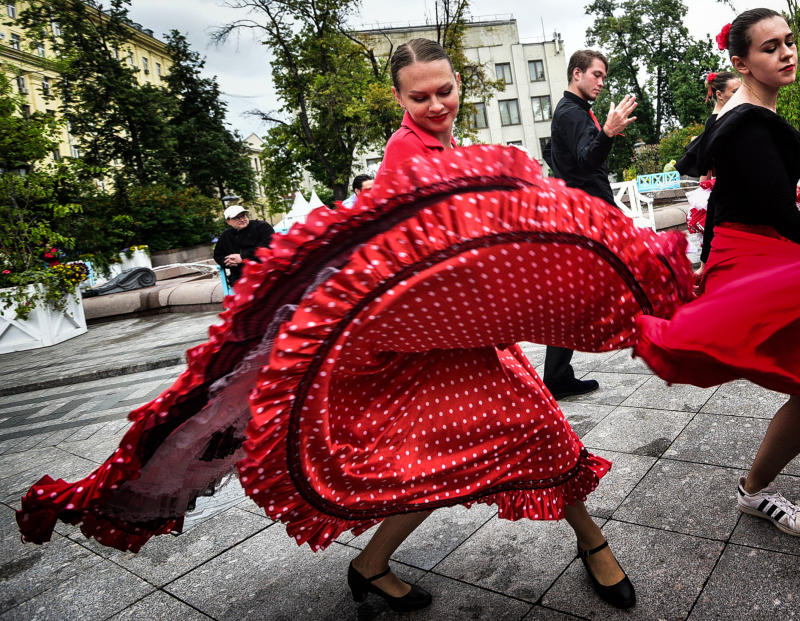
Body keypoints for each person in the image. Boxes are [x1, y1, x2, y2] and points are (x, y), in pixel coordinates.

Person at [21, 39, 713, 616]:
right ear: (399, 101)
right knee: (518, 442)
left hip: (468, 340)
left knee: (522, 442)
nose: (436, 104)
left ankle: (398, 561)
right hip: (430, 349)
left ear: (457, 84)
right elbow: (399, 270)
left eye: (444, 90)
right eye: (420, 97)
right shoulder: (405, 160)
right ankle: (558, 547)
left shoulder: (449, 149)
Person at [636, 8, 800, 536]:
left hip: (760, 246)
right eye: (770, 48)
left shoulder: (741, 114)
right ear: (742, 62)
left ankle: (754, 490)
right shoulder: (748, 121)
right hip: (759, 252)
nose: (787, 53)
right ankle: (753, 491)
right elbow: (780, 210)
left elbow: (694, 155)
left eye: (789, 42)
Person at [542, 50, 638, 400]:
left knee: (574, 297)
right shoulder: (572, 113)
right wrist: (607, 132)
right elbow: (586, 160)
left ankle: (557, 375)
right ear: (577, 73)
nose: (601, 82)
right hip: (586, 218)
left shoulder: (573, 112)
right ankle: (659, 333)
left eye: (603, 77)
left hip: (579, 216)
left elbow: (566, 161)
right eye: (596, 75)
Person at [213, 203, 274, 286]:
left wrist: (242, 257)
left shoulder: (262, 227)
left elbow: (269, 247)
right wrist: (226, 261)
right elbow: (218, 255)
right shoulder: (226, 235)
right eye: (237, 218)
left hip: (264, 270)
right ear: (228, 221)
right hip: (240, 276)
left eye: (244, 216)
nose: (242, 219)